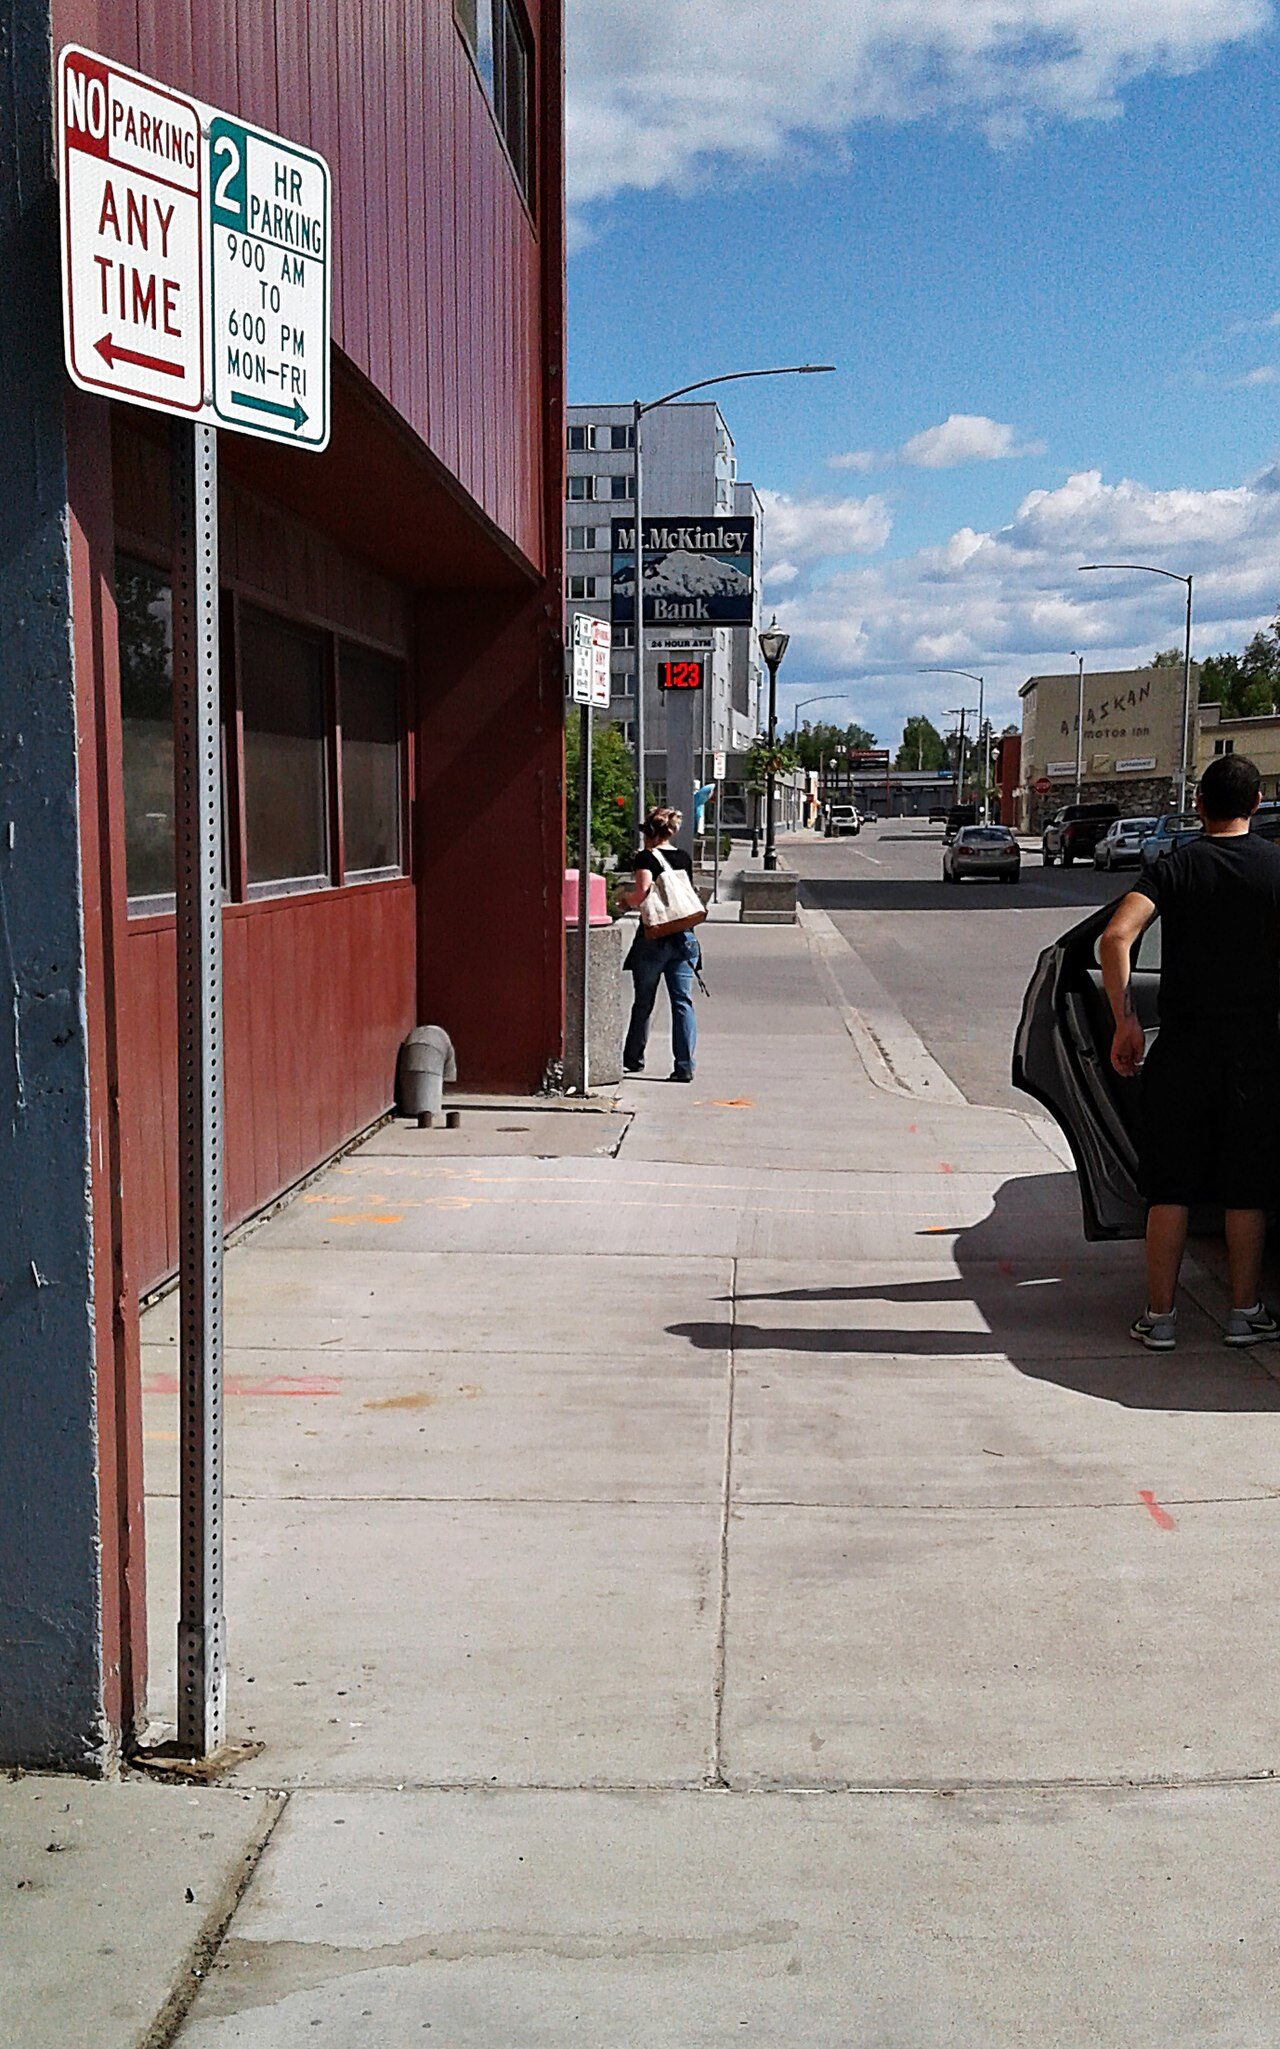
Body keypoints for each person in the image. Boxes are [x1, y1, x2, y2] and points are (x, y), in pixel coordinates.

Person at [1099, 753, 1280, 1350]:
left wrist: (1125, 1020)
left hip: (1182, 1053)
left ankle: (1160, 1317)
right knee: (1245, 1189)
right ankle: (1244, 1312)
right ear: (1256, 805)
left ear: (1198, 806)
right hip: (1255, 1054)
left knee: (1169, 1189)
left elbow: (1115, 937)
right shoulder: (1276, 867)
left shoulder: (1175, 866)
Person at [619, 806, 701, 1083]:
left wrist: (623, 901)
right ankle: (685, 1065)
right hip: (683, 935)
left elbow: (642, 893)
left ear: (649, 833)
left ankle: (633, 1058)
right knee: (682, 1002)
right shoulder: (683, 857)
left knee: (644, 1001)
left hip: (654, 938)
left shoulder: (645, 857)